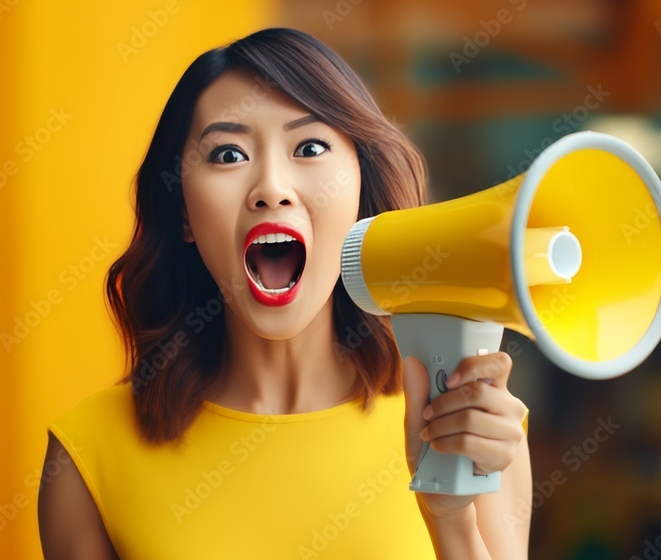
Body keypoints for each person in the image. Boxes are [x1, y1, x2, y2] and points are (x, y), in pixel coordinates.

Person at [38, 27, 530, 559]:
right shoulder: (87, 455)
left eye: (310, 146)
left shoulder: (476, 432)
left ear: (361, 186)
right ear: (183, 211)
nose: (271, 187)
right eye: (228, 154)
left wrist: (450, 517)